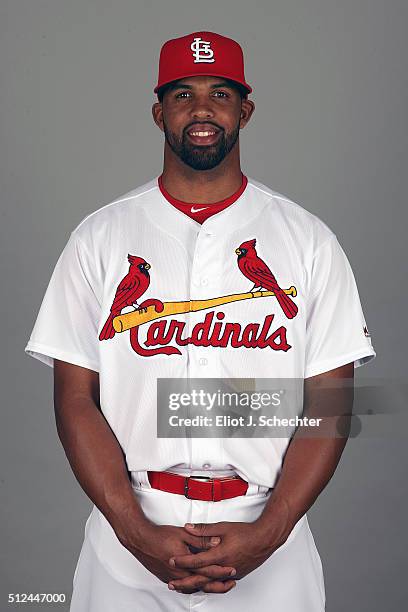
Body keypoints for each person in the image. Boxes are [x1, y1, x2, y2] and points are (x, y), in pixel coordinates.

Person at [25, 31, 376, 611]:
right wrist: (133, 531)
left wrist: (272, 530)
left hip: (269, 532)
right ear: (159, 112)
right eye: (183, 94)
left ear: (246, 109)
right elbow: (74, 399)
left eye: (220, 92)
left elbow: (332, 402)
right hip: (129, 532)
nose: (203, 109)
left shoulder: (309, 240)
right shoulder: (100, 237)